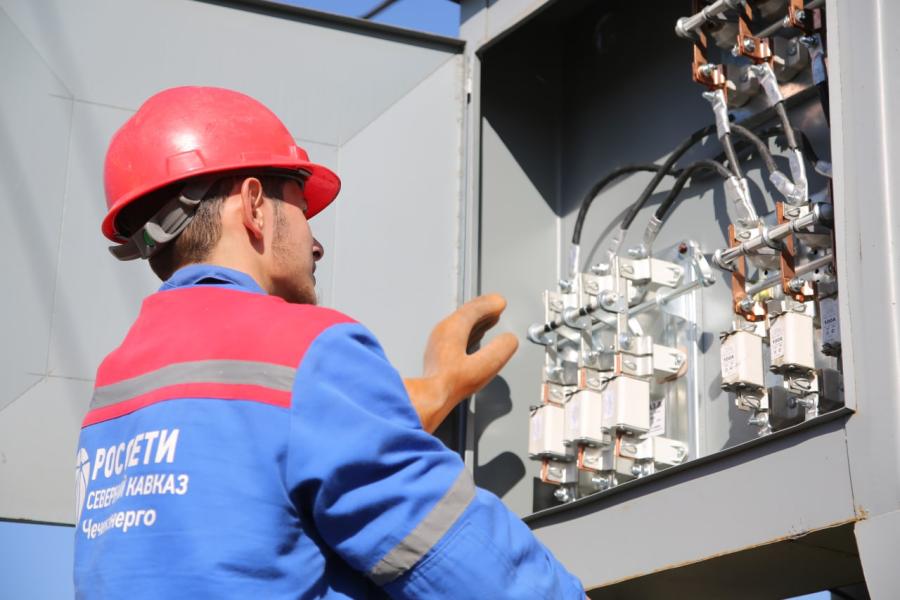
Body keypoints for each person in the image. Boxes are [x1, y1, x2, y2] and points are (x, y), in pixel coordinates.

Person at [73, 86, 584, 599]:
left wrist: (433, 390)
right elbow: (465, 564)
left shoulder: (114, 388)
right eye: (302, 209)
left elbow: (247, 478)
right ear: (253, 205)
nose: (315, 244)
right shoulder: (305, 348)